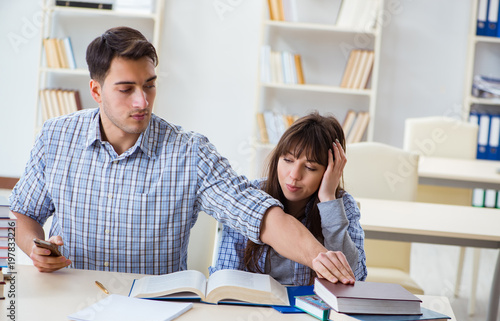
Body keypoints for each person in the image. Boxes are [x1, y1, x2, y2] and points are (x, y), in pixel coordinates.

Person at [10, 26, 354, 284]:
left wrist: (319, 257)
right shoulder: (55, 137)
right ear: (96, 91)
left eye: (149, 85)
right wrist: (35, 250)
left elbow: (259, 215)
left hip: (154, 310)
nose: (142, 101)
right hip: (70, 297)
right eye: (127, 89)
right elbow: (23, 213)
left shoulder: (189, 151)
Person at [210, 112, 367, 285]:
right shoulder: (248, 197)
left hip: (312, 309)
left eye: (309, 167)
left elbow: (354, 276)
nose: (294, 175)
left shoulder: (343, 205)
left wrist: (328, 200)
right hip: (253, 307)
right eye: (287, 160)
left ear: (331, 170)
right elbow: (225, 277)